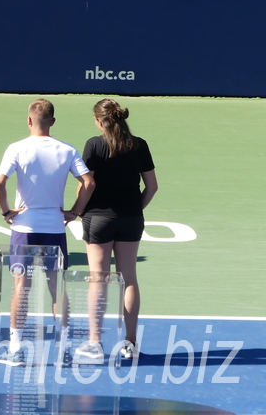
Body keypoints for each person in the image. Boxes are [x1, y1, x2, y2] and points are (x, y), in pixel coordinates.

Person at [0, 99, 95, 366]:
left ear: (29, 121)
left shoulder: (16, 149)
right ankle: (64, 350)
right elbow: (89, 182)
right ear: (52, 122)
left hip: (24, 228)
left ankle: (16, 350)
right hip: (54, 228)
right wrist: (74, 212)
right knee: (57, 288)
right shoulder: (67, 150)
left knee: (21, 287)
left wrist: (6, 212)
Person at [75, 98, 158, 363]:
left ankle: (94, 343)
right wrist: (135, 208)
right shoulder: (140, 144)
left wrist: (75, 211)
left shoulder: (94, 144)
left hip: (98, 220)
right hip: (131, 219)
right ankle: (130, 344)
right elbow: (152, 186)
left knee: (98, 278)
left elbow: (86, 184)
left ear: (100, 121)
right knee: (129, 279)